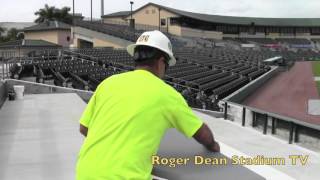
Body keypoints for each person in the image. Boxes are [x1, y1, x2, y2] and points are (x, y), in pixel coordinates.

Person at [76, 30, 220, 180]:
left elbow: (84, 128)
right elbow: (201, 132)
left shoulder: (108, 83)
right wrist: (213, 145)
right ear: (160, 62)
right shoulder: (167, 94)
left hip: (85, 172)